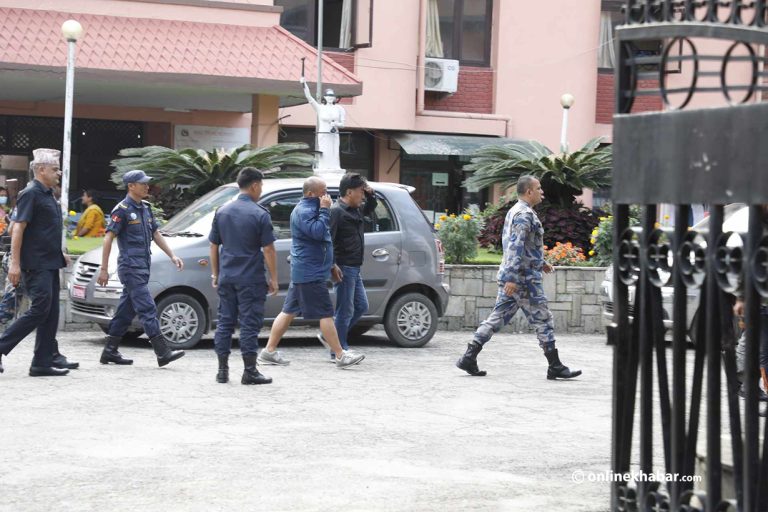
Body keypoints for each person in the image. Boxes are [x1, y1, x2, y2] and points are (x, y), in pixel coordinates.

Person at [456, 175, 582, 380]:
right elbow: (516, 247)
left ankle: (468, 357)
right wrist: (512, 279)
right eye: (539, 188)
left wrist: (541, 263)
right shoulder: (524, 214)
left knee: (496, 318)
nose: (542, 192)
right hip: (524, 281)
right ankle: (555, 366)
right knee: (543, 318)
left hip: (519, 276)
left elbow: (524, 246)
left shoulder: (516, 211)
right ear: (529, 192)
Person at [258, 176, 365, 369]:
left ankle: (269, 351)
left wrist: (331, 265)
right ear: (310, 193)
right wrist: (325, 210)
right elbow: (317, 232)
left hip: (309, 269)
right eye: (323, 191)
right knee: (325, 313)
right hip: (309, 272)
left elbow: (324, 240)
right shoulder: (303, 211)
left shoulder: (312, 209)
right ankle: (340, 355)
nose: (327, 195)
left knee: (288, 311)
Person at [96, 170, 185, 367]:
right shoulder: (122, 209)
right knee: (147, 307)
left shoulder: (145, 208)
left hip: (143, 266)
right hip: (130, 268)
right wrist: (103, 268)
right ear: (131, 186)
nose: (147, 186)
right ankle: (162, 352)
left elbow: (156, 233)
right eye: (142, 183)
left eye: (147, 183)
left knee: (125, 312)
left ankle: (109, 351)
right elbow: (108, 238)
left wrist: (172, 255)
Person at [0, 148, 72, 376]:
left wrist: (61, 253)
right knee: (40, 310)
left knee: (51, 313)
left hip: (50, 262)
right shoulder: (30, 193)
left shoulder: (47, 193)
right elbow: (17, 229)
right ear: (41, 170)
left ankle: (41, 362)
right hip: (36, 264)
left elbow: (43, 229)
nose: (58, 173)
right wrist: (15, 263)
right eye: (54, 169)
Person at [209, 167, 278, 385]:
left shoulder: (222, 211)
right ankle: (249, 371)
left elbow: (213, 245)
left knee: (225, 323)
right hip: (250, 278)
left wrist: (216, 273)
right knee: (249, 324)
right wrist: (274, 278)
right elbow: (268, 249)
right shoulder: (260, 214)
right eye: (261, 186)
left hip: (227, 276)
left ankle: (222, 371)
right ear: (255, 185)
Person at [319, 172, 377, 359]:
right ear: (350, 192)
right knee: (345, 311)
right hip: (343, 267)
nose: (362, 195)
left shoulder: (356, 209)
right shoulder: (336, 211)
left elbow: (371, 207)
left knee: (361, 306)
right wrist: (332, 266)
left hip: (354, 267)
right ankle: (339, 351)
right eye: (360, 191)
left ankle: (331, 336)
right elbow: (328, 241)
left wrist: (370, 194)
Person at [300, 76, 345, 171]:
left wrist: (336, 124)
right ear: (324, 97)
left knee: (334, 151)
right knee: (324, 151)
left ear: (335, 98)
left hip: (334, 134)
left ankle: (335, 166)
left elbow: (343, 124)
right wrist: (304, 84)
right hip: (323, 134)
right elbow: (309, 97)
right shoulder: (320, 108)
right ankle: (323, 166)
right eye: (328, 96)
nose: (330, 98)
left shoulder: (339, 109)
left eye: (332, 96)